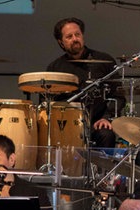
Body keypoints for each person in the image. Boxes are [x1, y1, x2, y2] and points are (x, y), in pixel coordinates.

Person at [46, 17, 122, 149]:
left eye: (77, 34)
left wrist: (107, 117)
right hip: (65, 125)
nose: (75, 39)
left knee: (106, 135)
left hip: (97, 122)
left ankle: (103, 171)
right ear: (61, 42)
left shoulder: (104, 61)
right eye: (69, 36)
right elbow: (46, 102)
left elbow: (119, 96)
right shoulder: (55, 68)